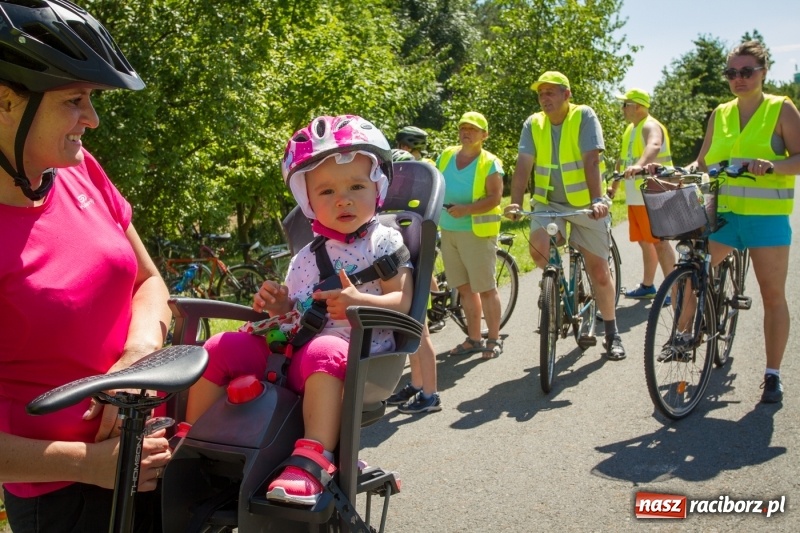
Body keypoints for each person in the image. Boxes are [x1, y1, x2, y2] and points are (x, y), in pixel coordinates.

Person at [0, 1, 172, 531]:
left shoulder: (77, 171)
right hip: (64, 494)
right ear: (5, 102)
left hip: (149, 453)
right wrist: (90, 465)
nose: (92, 120)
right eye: (74, 100)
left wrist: (136, 363)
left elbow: (148, 282)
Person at [185, 115, 415, 505]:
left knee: (324, 350)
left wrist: (363, 302)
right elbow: (298, 311)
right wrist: (280, 304)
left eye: (356, 186)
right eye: (326, 192)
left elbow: (404, 300)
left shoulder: (384, 241)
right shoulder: (306, 257)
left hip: (358, 353)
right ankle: (189, 439)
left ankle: (313, 457)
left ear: (377, 188)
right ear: (308, 201)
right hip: (297, 349)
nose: (343, 199)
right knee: (221, 345)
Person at [696, 40, 800, 403]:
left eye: (746, 72)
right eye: (732, 73)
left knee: (772, 296)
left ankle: (772, 374)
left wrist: (772, 165)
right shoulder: (720, 113)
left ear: (763, 73)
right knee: (691, 270)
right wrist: (679, 175)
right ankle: (692, 329)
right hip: (723, 215)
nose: (738, 79)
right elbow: (703, 162)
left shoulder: (780, 109)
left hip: (766, 219)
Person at [505, 71, 626, 360]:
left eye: (550, 92)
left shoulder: (583, 116)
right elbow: (523, 165)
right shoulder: (533, 124)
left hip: (585, 204)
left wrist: (599, 199)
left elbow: (592, 159)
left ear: (566, 95)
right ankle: (554, 291)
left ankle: (612, 332)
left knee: (599, 271)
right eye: (540, 93)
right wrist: (515, 202)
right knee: (538, 249)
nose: (544, 98)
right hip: (548, 203)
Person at [436, 111, 505, 359]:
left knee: (485, 288)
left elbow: (495, 197)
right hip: (449, 230)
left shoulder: (490, 162)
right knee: (465, 289)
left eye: (473, 129)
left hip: (476, 232)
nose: (466, 132)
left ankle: (494, 339)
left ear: (484, 135)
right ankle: (474, 338)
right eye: (463, 127)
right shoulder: (446, 155)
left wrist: (467, 209)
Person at [385, 146, 442, 414]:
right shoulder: (393, 209)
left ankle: (431, 394)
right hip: (403, 278)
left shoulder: (418, 211)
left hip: (415, 280)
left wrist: (433, 287)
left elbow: (423, 253)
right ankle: (418, 384)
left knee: (422, 335)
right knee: (411, 335)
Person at [607, 88, 677, 301]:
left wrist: (639, 166)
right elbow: (623, 161)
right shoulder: (630, 129)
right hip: (637, 197)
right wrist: (614, 186)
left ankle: (674, 290)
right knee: (645, 242)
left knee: (660, 243)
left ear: (637, 106)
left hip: (654, 195)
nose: (622, 108)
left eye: (625, 104)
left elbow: (654, 145)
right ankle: (648, 286)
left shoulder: (649, 125)